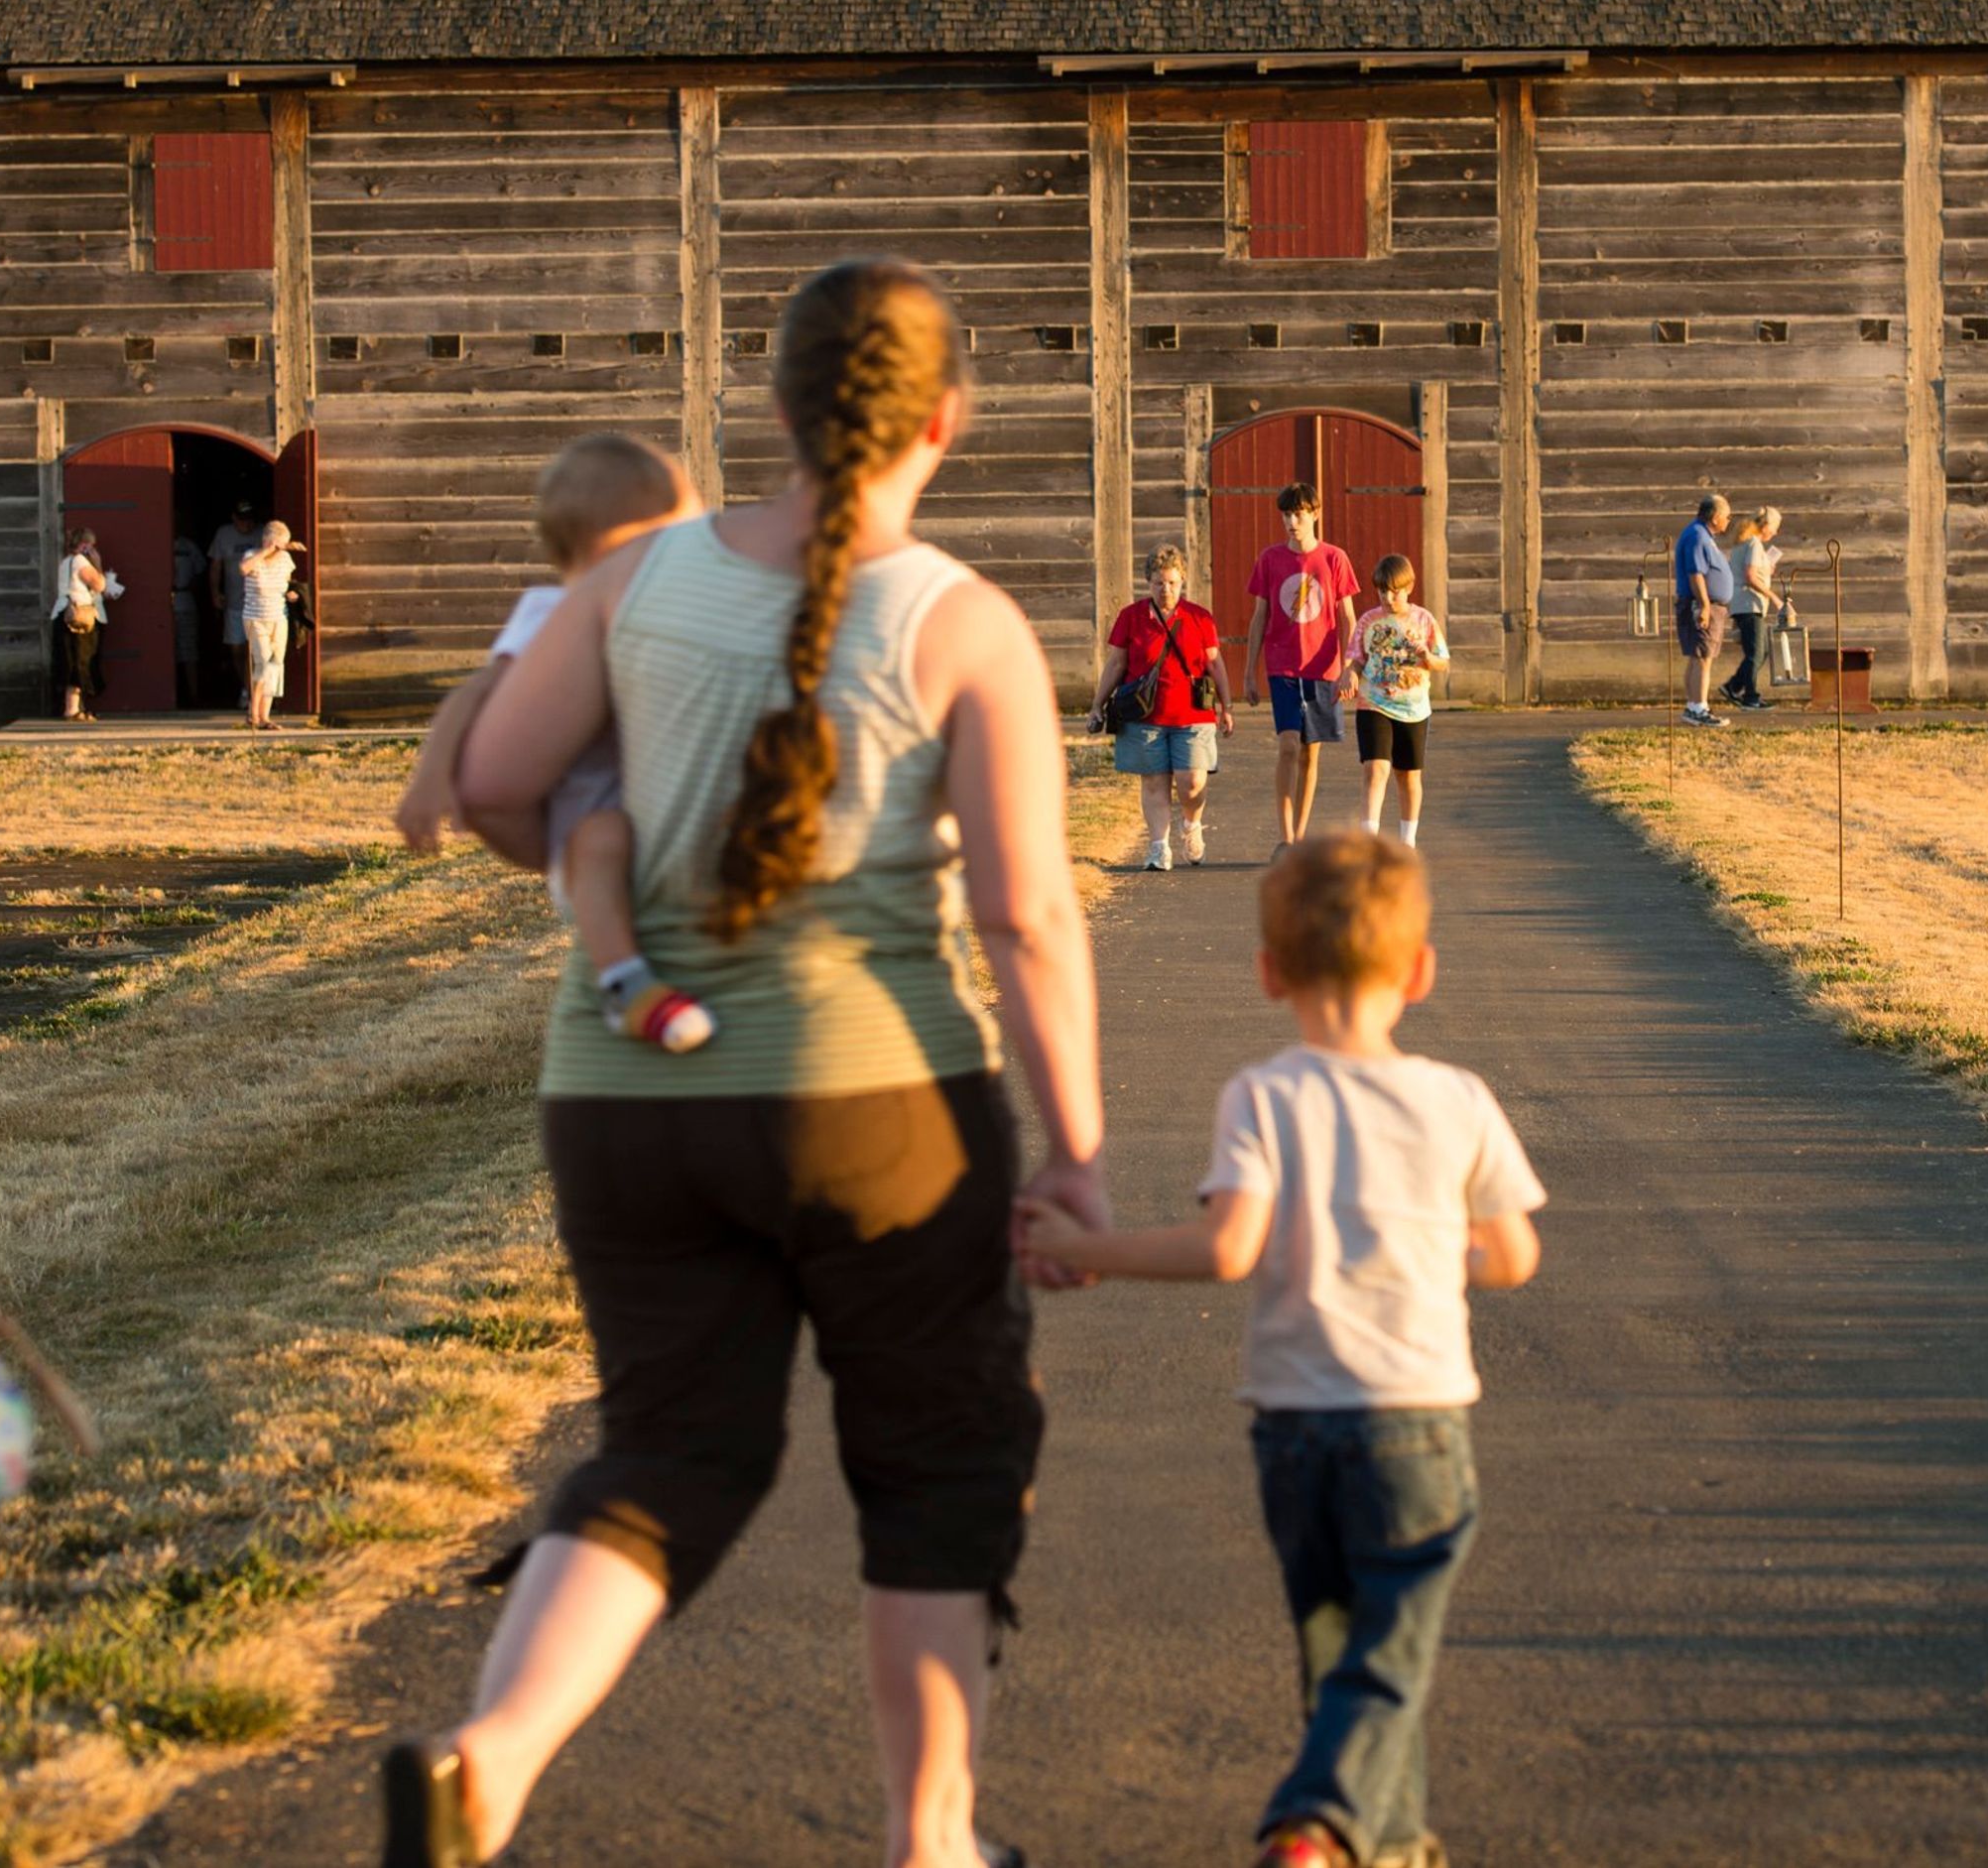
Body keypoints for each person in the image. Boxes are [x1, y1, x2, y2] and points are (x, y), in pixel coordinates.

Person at [400, 257, 1108, 1868]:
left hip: (625, 1097)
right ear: (949, 417)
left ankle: (489, 1761)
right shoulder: (962, 620)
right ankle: (933, 1844)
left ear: (777, 409)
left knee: (667, 1448)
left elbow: (507, 785)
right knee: (937, 1463)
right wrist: (1076, 1145)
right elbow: (1024, 913)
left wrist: (610, 864)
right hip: (881, 1107)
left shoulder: (630, 581)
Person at [1019, 834, 1542, 1868]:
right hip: (1417, 1421)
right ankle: (1316, 1829)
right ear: (1421, 971)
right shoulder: (1458, 1100)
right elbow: (1513, 1257)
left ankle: (1387, 1844)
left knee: (1339, 1650)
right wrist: (1436, 1253)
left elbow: (1228, 1249)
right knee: (1392, 1653)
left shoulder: (1262, 1095)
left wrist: (1090, 1250)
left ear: (1268, 974)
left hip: (1295, 1425)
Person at [398, 435, 712, 1051]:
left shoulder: (659, 609)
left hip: (653, 818)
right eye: (677, 538)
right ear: (617, 546)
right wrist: (431, 776)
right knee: (604, 839)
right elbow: (474, 693)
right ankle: (626, 984)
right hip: (589, 833)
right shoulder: (553, 612)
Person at [1100, 542, 1233, 871]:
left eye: (1172, 582)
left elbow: (1215, 666)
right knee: (1154, 782)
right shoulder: (1131, 618)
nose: (1166, 589)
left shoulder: (1199, 618)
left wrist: (1227, 706)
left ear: (1183, 581)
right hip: (1145, 716)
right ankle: (1159, 848)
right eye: (1159, 583)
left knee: (1192, 782)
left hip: (1193, 715)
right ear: (1148, 582)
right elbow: (1116, 665)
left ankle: (1191, 827)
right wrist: (1096, 705)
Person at [1244, 485, 1361, 847]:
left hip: (1323, 669)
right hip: (1283, 667)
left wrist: (1349, 666)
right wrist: (1249, 671)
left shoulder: (1334, 559)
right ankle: (1285, 838)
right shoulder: (1270, 558)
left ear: (1315, 514)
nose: (1291, 522)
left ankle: (1300, 833)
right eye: (1286, 515)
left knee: (1311, 751)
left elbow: (1348, 618)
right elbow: (1259, 615)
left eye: (1298, 514)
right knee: (1288, 746)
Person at [1345, 555, 1446, 847]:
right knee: (1375, 769)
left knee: (1408, 776)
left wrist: (1428, 658)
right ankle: (1369, 843)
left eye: (1395, 592)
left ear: (1409, 588)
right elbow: (1356, 659)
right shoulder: (1368, 621)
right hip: (1374, 704)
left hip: (1413, 709)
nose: (1388, 598)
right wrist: (1349, 674)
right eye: (1382, 592)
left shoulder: (1424, 619)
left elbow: (1443, 661)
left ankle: (1407, 842)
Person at [1671, 493, 1735, 728]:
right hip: (1699, 605)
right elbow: (1695, 573)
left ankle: (1694, 705)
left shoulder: (1701, 534)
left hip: (1704, 604)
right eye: (1727, 516)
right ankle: (1699, 707)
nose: (1729, 521)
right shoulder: (1698, 536)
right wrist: (1705, 606)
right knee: (1702, 658)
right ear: (1716, 516)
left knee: (1698, 657)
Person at [49, 529, 122, 723]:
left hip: (66, 614)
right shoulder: (80, 562)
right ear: (83, 545)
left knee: (72, 659)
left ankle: (76, 707)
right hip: (80, 617)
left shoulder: (65, 562)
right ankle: (72, 709)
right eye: (90, 545)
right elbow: (98, 584)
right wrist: (98, 564)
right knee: (80, 659)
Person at [1718, 506, 1785, 714]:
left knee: (1760, 651)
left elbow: (1745, 572)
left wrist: (1767, 569)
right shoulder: (1754, 544)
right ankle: (1749, 696)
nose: (1775, 533)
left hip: (1745, 605)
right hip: (1750, 604)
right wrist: (1773, 596)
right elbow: (1749, 576)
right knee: (1756, 653)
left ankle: (1735, 687)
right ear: (1765, 526)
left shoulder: (1744, 543)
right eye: (1774, 528)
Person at [237, 520, 297, 730]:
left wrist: (292, 595)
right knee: (262, 661)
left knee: (275, 665)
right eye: (279, 544)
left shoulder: (286, 560)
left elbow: (288, 583)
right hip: (256, 618)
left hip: (279, 617)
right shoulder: (251, 556)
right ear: (268, 540)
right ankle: (252, 713)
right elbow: (243, 569)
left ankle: (264, 716)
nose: (282, 548)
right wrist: (266, 551)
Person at [206, 499, 259, 697]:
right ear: (234, 518)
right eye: (243, 520)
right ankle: (246, 685)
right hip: (233, 602)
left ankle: (252, 693)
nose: (247, 524)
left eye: (250, 520)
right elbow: (216, 566)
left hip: (256, 602)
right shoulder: (224, 534)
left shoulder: (263, 533)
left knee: (253, 649)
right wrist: (215, 593)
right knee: (236, 649)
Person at [169, 527, 206, 708]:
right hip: (160, 605)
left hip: (185, 601)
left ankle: (193, 695)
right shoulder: (154, 541)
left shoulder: (187, 546)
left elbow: (200, 571)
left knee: (189, 650)